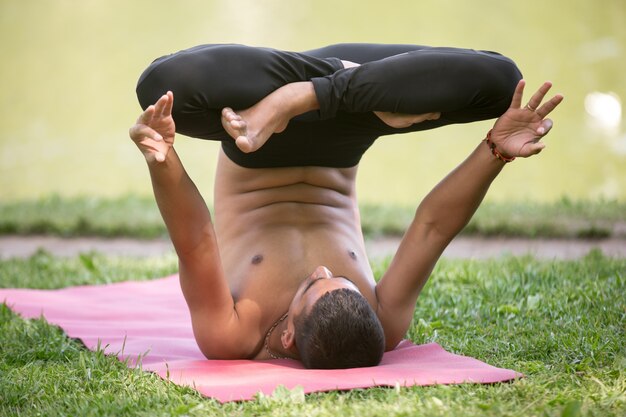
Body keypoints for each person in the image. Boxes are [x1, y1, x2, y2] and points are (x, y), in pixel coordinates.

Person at [129, 43, 563, 369]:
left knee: (161, 84)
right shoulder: (385, 323)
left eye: (312, 285)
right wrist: (495, 150)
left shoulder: (232, 335)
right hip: (347, 125)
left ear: (287, 336)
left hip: (254, 134)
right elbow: (433, 226)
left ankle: (314, 90)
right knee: (501, 83)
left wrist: (163, 158)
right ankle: (317, 92)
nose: (320, 270)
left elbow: (197, 242)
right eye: (338, 277)